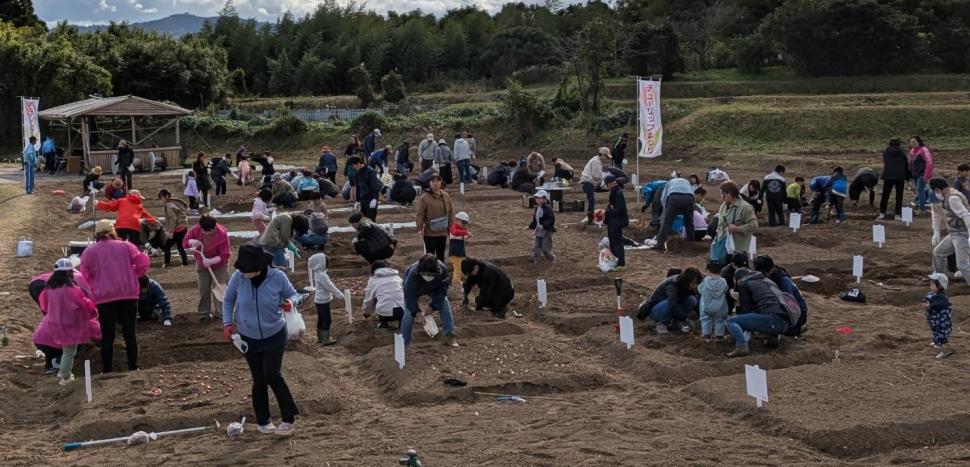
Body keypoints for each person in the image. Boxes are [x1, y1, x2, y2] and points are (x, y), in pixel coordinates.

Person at [222, 244, 302, 436]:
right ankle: (263, 420)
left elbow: (294, 294)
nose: (244, 273)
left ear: (260, 267)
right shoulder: (238, 278)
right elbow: (228, 299)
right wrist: (227, 323)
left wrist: (291, 302)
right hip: (248, 337)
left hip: (274, 333)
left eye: (248, 271)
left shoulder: (277, 277)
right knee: (258, 379)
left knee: (272, 374)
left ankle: (288, 418)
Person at [80, 220, 149, 373]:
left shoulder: (90, 251)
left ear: (97, 234)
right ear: (113, 232)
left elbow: (85, 275)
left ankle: (107, 369)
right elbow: (143, 262)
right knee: (130, 332)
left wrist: (96, 283)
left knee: (107, 335)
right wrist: (135, 274)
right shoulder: (126, 246)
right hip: (128, 294)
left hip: (105, 297)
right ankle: (133, 366)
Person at [33, 259, 101, 385]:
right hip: (68, 326)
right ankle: (65, 376)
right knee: (69, 352)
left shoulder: (49, 288)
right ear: (70, 273)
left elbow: (44, 305)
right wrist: (93, 312)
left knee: (66, 351)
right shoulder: (71, 289)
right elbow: (84, 303)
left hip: (53, 324)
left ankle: (60, 371)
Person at [725, 268, 795, 357]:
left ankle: (741, 346)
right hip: (785, 322)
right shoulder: (766, 280)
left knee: (731, 321)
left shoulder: (743, 283)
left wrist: (738, 300)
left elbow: (746, 309)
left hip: (772, 319)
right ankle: (772, 340)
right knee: (768, 310)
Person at [401, 254, 458, 346]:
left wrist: (433, 306)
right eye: (426, 274)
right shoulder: (412, 274)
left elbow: (442, 290)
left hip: (434, 288)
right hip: (417, 289)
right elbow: (409, 296)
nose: (428, 276)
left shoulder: (442, 270)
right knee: (408, 315)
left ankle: (449, 335)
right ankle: (404, 342)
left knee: (445, 304)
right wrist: (417, 313)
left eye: (431, 274)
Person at [184, 214, 232, 320]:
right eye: (203, 231)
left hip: (220, 265)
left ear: (214, 227)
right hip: (202, 264)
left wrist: (212, 261)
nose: (206, 233)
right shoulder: (196, 230)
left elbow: (225, 254)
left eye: (209, 231)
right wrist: (191, 242)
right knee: (203, 289)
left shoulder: (222, 234)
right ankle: (204, 313)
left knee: (218, 288)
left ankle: (220, 313)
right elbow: (185, 242)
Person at [753, 255, 808, 337]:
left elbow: (789, 305)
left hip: (796, 313)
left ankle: (798, 328)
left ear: (769, 270)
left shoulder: (783, 281)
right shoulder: (772, 276)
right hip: (788, 309)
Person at [635, 267, 703, 334]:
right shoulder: (672, 284)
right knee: (669, 303)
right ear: (687, 280)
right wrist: (685, 319)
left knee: (692, 300)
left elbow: (698, 301)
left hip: (668, 307)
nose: (695, 286)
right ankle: (662, 325)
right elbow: (672, 304)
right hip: (654, 309)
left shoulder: (688, 286)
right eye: (694, 283)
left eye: (697, 283)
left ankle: (674, 321)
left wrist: (701, 318)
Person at [930, 177, 970, 284]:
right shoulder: (946, 196)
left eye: (935, 191)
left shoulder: (953, 198)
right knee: (938, 252)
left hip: (962, 233)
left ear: (938, 190)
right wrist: (936, 233)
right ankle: (938, 280)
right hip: (954, 233)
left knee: (963, 266)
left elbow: (966, 215)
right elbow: (936, 213)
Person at [712, 181, 759, 264]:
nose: (721, 197)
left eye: (723, 194)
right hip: (723, 248)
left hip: (738, 251)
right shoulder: (723, 206)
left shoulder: (745, 207)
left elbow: (754, 225)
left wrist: (738, 229)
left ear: (729, 194)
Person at [307, 252, 346, 346]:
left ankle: (320, 337)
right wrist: (341, 295)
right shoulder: (322, 275)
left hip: (319, 300)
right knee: (327, 320)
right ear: (321, 263)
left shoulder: (317, 272)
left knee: (321, 319)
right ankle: (326, 339)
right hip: (323, 301)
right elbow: (330, 287)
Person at [415, 174, 454, 261]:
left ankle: (441, 273)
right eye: (433, 181)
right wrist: (419, 227)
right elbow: (420, 214)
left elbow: (450, 211)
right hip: (429, 231)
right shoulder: (424, 197)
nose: (435, 183)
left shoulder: (446, 196)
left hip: (442, 230)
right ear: (429, 183)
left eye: (437, 181)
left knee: (441, 255)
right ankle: (431, 272)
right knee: (430, 256)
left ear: (441, 182)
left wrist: (451, 227)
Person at [652, 177, 695, 253]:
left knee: (667, 223)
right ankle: (691, 243)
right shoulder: (686, 182)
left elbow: (663, 198)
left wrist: (666, 211)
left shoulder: (668, 183)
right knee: (689, 222)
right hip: (689, 198)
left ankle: (659, 245)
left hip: (674, 197)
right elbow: (692, 193)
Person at [362, 261, 406, 329]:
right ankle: (402, 322)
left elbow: (369, 300)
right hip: (403, 310)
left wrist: (367, 312)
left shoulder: (373, 281)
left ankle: (383, 322)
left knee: (377, 298)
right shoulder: (397, 278)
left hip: (385, 313)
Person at [924, 273, 954, 359]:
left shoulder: (942, 297)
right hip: (934, 317)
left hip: (941, 318)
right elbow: (926, 298)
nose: (930, 286)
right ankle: (936, 341)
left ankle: (940, 343)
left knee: (940, 330)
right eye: (930, 284)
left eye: (933, 284)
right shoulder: (931, 294)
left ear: (940, 286)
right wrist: (924, 302)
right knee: (934, 329)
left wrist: (930, 306)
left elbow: (939, 305)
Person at [580, 148, 611, 225]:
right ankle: (590, 220)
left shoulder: (596, 160)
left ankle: (591, 219)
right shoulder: (596, 162)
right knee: (591, 200)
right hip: (587, 182)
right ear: (602, 155)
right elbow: (596, 177)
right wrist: (605, 179)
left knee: (592, 199)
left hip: (589, 182)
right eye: (606, 157)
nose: (607, 159)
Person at [699, 261, 729, 342]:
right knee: (720, 320)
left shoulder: (705, 280)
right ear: (721, 270)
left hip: (706, 304)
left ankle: (706, 336)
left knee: (705, 319)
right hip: (719, 306)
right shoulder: (723, 281)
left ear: (708, 270)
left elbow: (700, 289)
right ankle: (719, 336)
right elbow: (726, 290)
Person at [158, 189, 189, 268]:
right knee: (179, 246)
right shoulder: (173, 202)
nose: (161, 200)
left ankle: (166, 263)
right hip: (183, 227)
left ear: (166, 196)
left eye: (162, 198)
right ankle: (185, 262)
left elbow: (173, 218)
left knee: (167, 246)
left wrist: (171, 231)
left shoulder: (169, 205)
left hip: (177, 229)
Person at [604, 174, 629, 269]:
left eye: (607, 184)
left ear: (611, 183)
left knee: (617, 242)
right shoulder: (614, 192)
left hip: (616, 222)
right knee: (613, 242)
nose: (607, 186)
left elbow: (619, 208)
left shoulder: (617, 193)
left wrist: (608, 212)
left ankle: (621, 263)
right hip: (612, 221)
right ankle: (615, 261)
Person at [351, 155, 382, 222]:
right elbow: (358, 187)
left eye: (354, 166)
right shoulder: (358, 173)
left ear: (358, 163)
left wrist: (374, 198)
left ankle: (373, 232)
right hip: (363, 200)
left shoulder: (370, 172)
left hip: (370, 199)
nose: (353, 168)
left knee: (371, 219)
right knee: (364, 219)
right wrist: (357, 200)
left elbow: (375, 186)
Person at [529, 190, 556, 264]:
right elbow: (535, 220)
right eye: (536, 198)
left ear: (544, 199)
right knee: (536, 246)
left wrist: (544, 226)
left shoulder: (548, 209)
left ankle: (551, 258)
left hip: (546, 231)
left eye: (539, 198)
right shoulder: (537, 208)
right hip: (539, 230)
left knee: (545, 247)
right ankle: (536, 260)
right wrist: (531, 226)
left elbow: (550, 219)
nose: (537, 199)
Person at [910, 136, 935, 213]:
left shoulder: (923, 150)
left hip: (922, 174)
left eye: (914, 142)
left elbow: (929, 162)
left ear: (919, 142)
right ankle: (921, 206)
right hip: (915, 174)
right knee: (919, 191)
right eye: (911, 142)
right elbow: (910, 163)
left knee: (920, 191)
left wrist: (926, 175)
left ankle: (922, 208)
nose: (912, 144)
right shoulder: (912, 151)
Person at [449, 212, 471, 283]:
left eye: (465, 223)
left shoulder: (460, 229)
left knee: (459, 268)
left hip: (459, 252)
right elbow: (455, 232)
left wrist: (466, 236)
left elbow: (461, 237)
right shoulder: (454, 228)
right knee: (457, 270)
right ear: (457, 220)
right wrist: (466, 232)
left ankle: (458, 281)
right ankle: (456, 284)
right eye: (463, 223)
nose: (464, 225)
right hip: (456, 253)